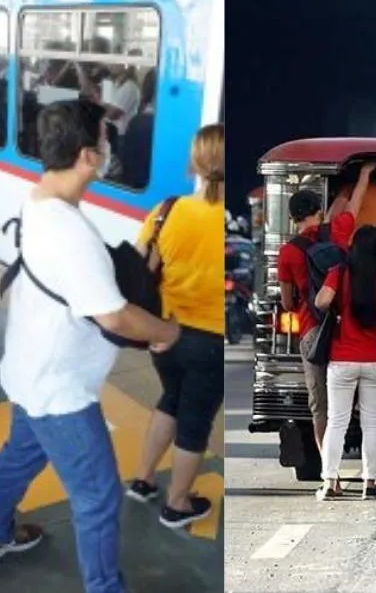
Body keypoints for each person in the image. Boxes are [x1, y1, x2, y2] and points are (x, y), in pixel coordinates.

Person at [0, 100, 179, 593]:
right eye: (106, 141)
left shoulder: (40, 200)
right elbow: (112, 314)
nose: (110, 149)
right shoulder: (69, 230)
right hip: (60, 389)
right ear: (88, 156)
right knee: (98, 499)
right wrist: (165, 333)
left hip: (29, 367)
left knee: (19, 456)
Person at [127, 124, 226, 525]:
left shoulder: (167, 211)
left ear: (195, 162)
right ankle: (178, 504)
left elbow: (140, 271)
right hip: (213, 341)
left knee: (171, 400)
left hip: (167, 336)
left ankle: (143, 480)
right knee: (195, 419)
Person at [276, 165, 370, 453]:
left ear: (293, 219)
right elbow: (356, 202)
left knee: (321, 407)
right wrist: (365, 173)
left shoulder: (287, 252)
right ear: (319, 211)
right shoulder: (338, 230)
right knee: (358, 400)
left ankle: (331, 474)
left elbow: (287, 302)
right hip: (345, 329)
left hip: (313, 331)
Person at [312, 225, 376, 501]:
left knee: (337, 422)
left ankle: (330, 483)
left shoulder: (340, 272)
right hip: (375, 359)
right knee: (372, 422)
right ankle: (371, 483)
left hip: (342, 358)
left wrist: (337, 309)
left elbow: (321, 302)